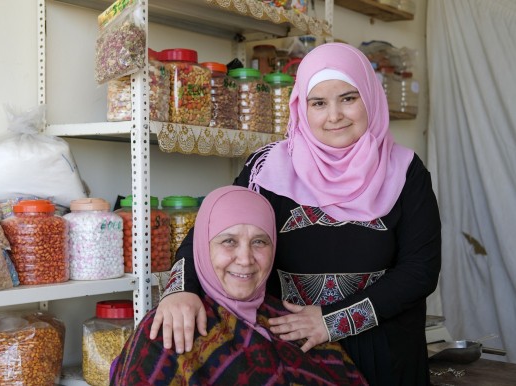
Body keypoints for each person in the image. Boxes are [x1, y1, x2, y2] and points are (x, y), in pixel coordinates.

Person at [150, 43, 442, 386]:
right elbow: (208, 232)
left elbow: (419, 271)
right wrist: (179, 290)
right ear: (300, 107)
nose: (334, 115)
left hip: (383, 354)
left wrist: (331, 321)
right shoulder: (266, 170)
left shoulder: (406, 171)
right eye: (318, 103)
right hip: (290, 353)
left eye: (348, 98)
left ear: (371, 97)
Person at [109, 185, 368, 385]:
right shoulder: (169, 332)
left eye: (259, 242)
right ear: (201, 247)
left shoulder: (291, 322)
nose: (245, 259)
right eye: (228, 241)